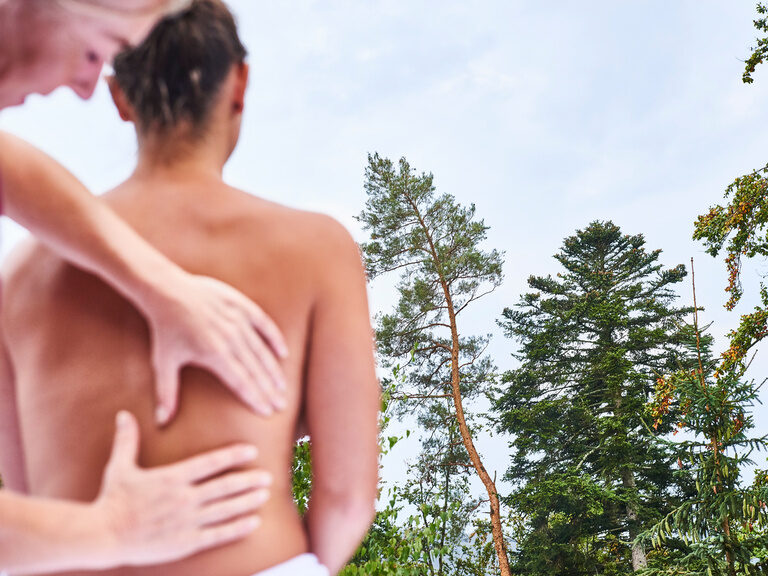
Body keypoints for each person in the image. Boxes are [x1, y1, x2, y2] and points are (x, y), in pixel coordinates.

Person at [0, 1, 380, 575]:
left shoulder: (16, 281)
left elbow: (28, 495)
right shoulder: (318, 249)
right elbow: (348, 498)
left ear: (119, 96)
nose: (78, 84)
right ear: (239, 83)